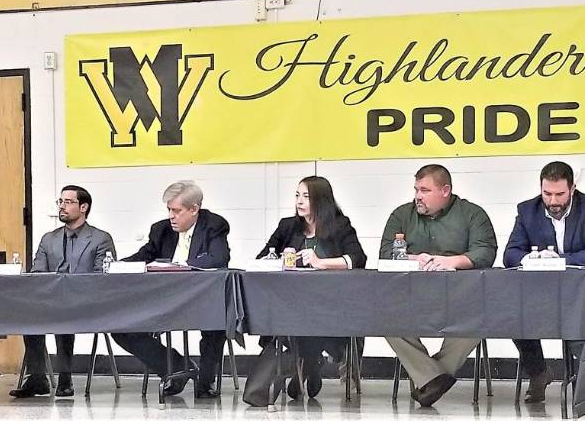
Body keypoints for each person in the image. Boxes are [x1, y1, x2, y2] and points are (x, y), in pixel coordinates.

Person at [380, 164, 497, 407]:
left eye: (424, 190)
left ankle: (431, 378)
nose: (417, 196)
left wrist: (451, 261)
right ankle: (434, 378)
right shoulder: (401, 215)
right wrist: (416, 258)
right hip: (413, 296)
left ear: (445, 191)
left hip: (461, 297)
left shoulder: (472, 214)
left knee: (479, 319)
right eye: (416, 189)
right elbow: (385, 253)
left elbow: (485, 252)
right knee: (386, 316)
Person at [112, 180, 230, 398]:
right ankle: (175, 368)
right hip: (163, 299)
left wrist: (181, 267)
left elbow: (218, 259)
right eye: (168, 210)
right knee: (120, 326)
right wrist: (117, 265)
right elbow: (145, 255)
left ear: (194, 209)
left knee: (216, 324)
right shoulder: (161, 229)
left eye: (176, 211)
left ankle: (205, 382)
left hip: (201, 298)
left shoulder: (214, 225)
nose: (171, 216)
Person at [503, 161, 585, 403]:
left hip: (583, 293)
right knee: (512, 315)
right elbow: (510, 255)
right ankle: (539, 373)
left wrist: (558, 260)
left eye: (560, 194)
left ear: (572, 189)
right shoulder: (527, 210)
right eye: (547, 194)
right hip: (541, 293)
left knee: (579, 320)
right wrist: (531, 258)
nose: (552, 201)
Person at [255, 175, 367, 400]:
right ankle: (310, 363)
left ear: (321, 200)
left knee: (313, 322)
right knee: (288, 319)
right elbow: (262, 257)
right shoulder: (288, 226)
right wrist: (281, 259)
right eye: (297, 195)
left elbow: (358, 259)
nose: (299, 201)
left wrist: (321, 263)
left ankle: (307, 364)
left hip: (331, 304)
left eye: (306, 196)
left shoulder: (339, 225)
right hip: (292, 302)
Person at [10, 185, 115, 398]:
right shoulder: (49, 239)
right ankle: (38, 379)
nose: (62, 207)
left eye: (68, 202)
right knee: (28, 314)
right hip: (51, 301)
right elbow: (37, 273)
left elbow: (103, 278)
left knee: (63, 314)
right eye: (60, 202)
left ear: (83, 207)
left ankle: (65, 378)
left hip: (87, 303)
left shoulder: (100, 238)